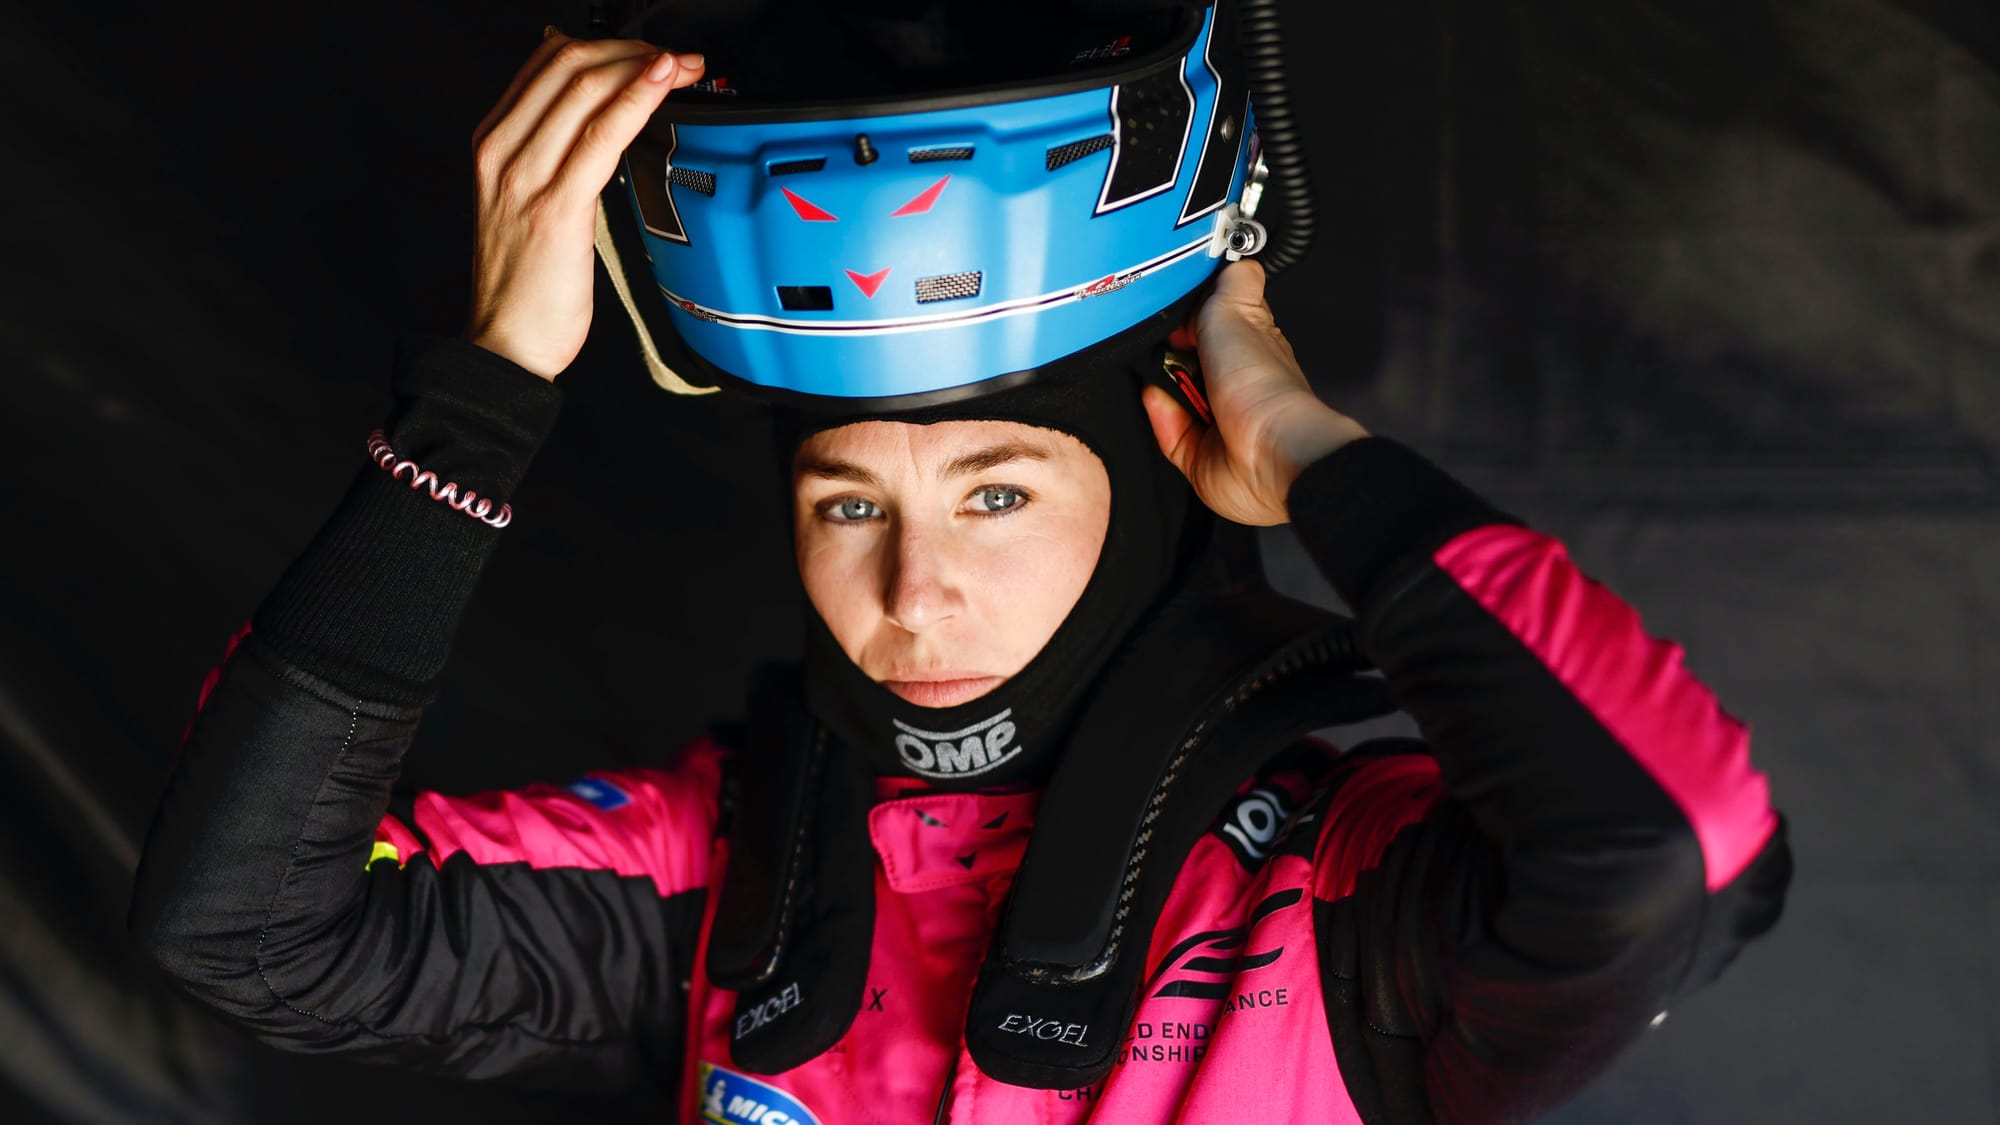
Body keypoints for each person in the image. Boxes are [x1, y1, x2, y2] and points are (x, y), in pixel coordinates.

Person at [129, 18, 1791, 1125]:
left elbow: (1671, 842)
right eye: (849, 505)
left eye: (997, 496)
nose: (913, 591)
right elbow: (247, 926)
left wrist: (1302, 444)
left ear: (1159, 486)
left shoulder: (1350, 895)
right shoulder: (706, 875)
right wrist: (484, 400)